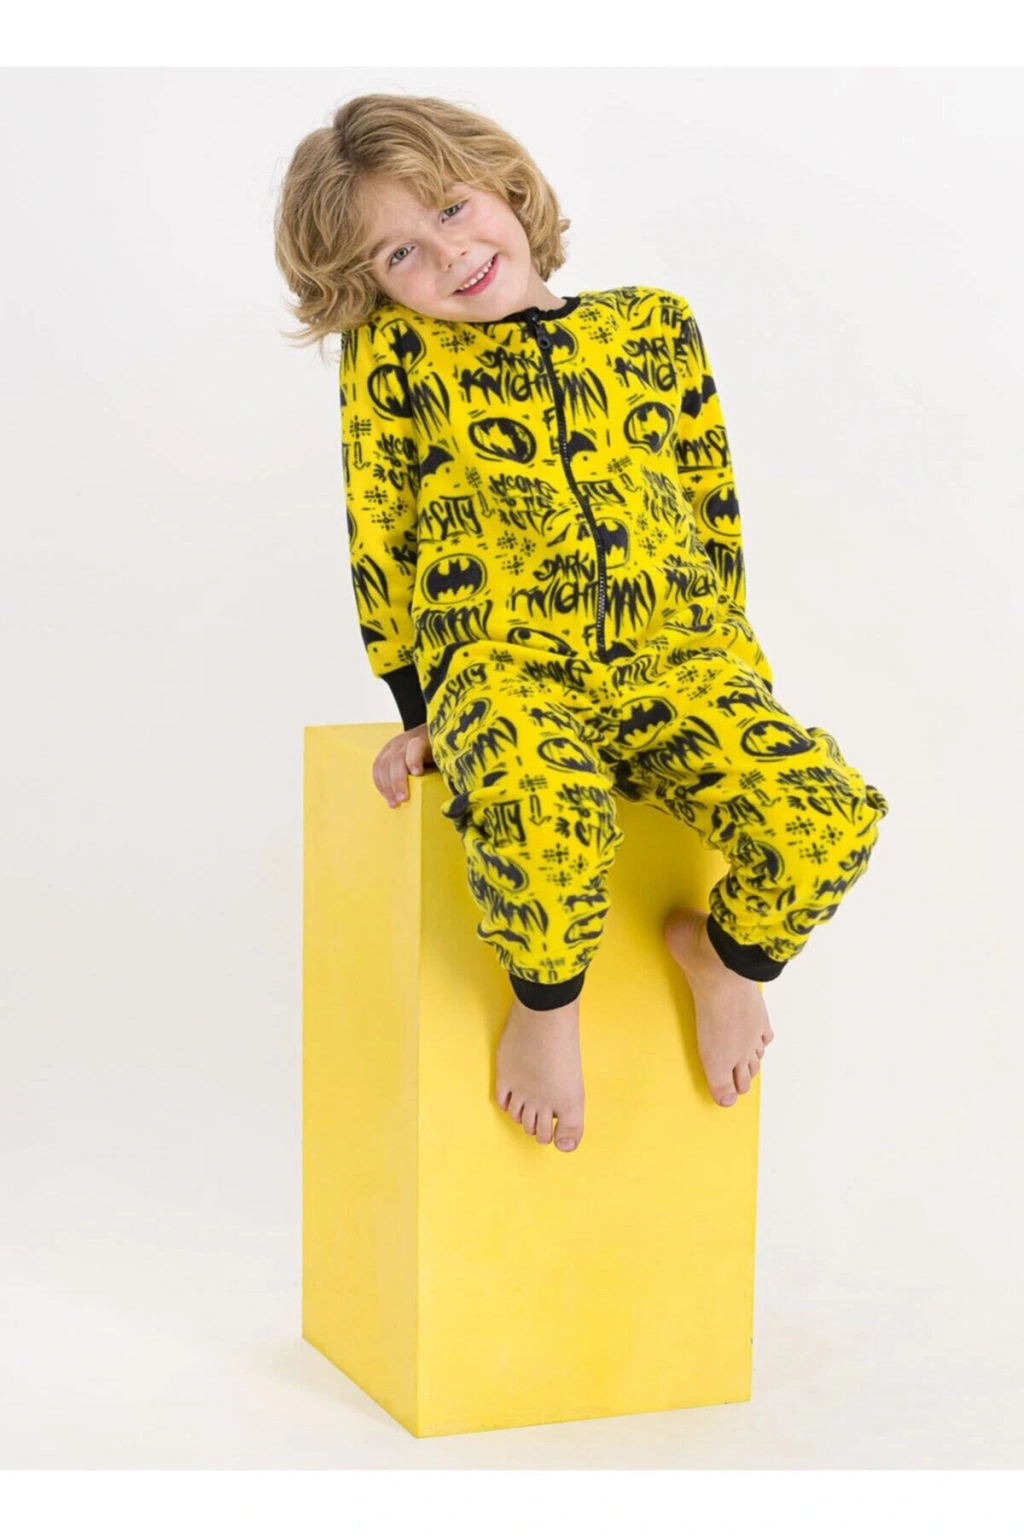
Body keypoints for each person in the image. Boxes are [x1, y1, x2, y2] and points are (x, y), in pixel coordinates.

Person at [274, 92, 890, 1153]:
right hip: (504, 667)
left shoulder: (652, 327)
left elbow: (709, 505)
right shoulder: (397, 362)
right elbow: (382, 529)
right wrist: (421, 709)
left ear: (507, 187)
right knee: (543, 815)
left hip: (678, 663)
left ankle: (725, 961)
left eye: (454, 209)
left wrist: (736, 673)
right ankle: (545, 1011)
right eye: (400, 254)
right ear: (369, 287)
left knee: (826, 818)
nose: (450, 254)